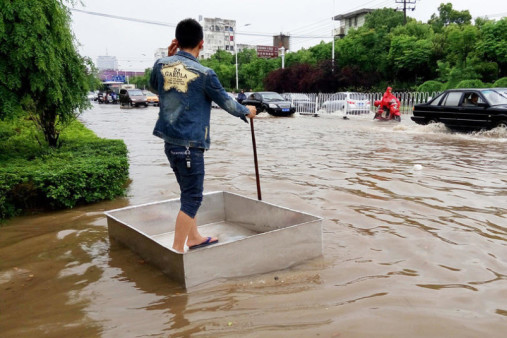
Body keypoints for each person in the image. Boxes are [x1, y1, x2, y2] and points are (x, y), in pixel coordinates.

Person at [150, 18, 257, 253]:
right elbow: (228, 104)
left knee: (186, 193)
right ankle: (177, 250)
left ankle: (194, 237)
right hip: (190, 146)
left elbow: (153, 87)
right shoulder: (205, 73)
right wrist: (246, 111)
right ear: (202, 43)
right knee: (193, 198)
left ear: (177, 42)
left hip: (170, 144)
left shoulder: (161, 64)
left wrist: (168, 58)